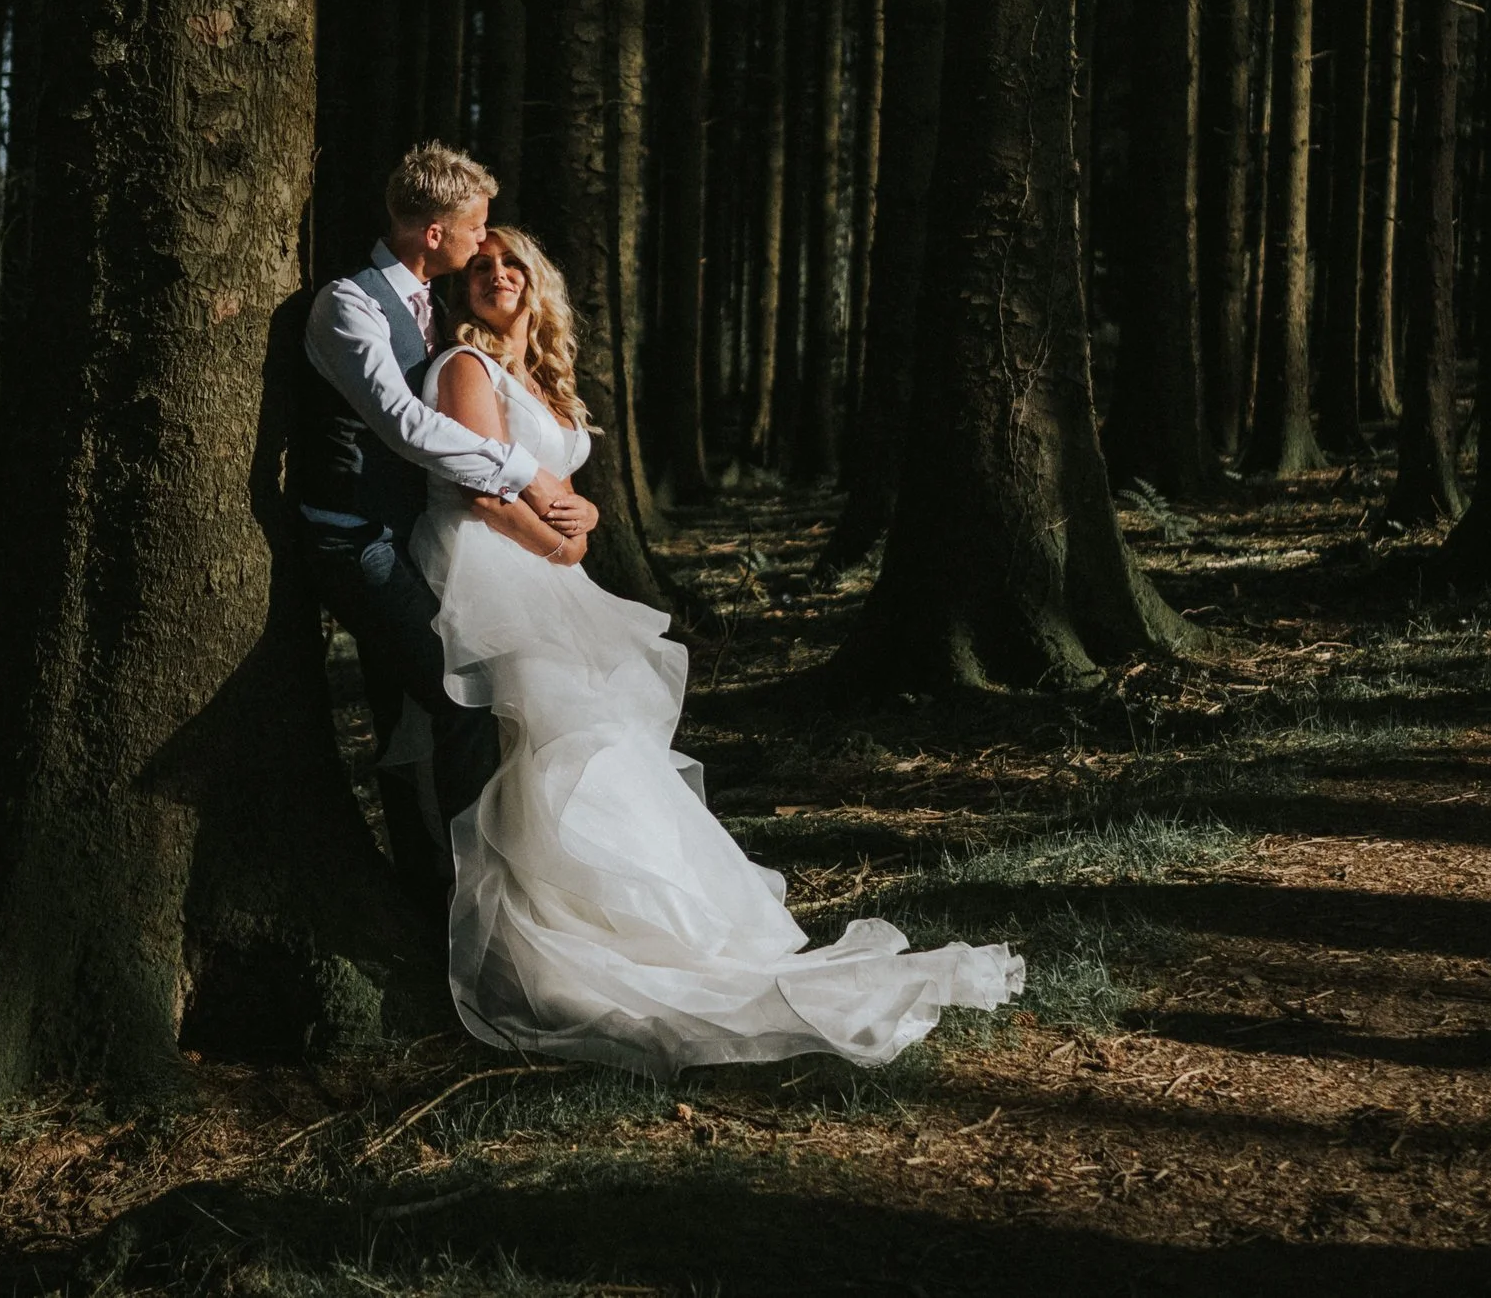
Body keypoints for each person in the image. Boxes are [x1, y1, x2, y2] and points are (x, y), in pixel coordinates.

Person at [416, 226, 1023, 1077]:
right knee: (548, 739)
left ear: (538, 283)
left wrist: (584, 520)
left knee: (603, 742)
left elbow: (555, 485)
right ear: (461, 290)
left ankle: (665, 924)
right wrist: (562, 546)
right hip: (494, 571)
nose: (498, 275)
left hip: (549, 576)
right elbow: (481, 487)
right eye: (481, 267)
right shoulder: (465, 370)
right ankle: (554, 938)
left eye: (512, 263)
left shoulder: (541, 381)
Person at [294, 143, 597, 909]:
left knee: (405, 713)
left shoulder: (441, 310)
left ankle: (423, 887)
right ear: (435, 233)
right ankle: (471, 898)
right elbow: (401, 424)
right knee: (462, 693)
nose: (481, 243)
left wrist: (577, 505)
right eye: (475, 227)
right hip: (356, 535)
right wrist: (522, 473)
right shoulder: (348, 305)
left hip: (419, 535)